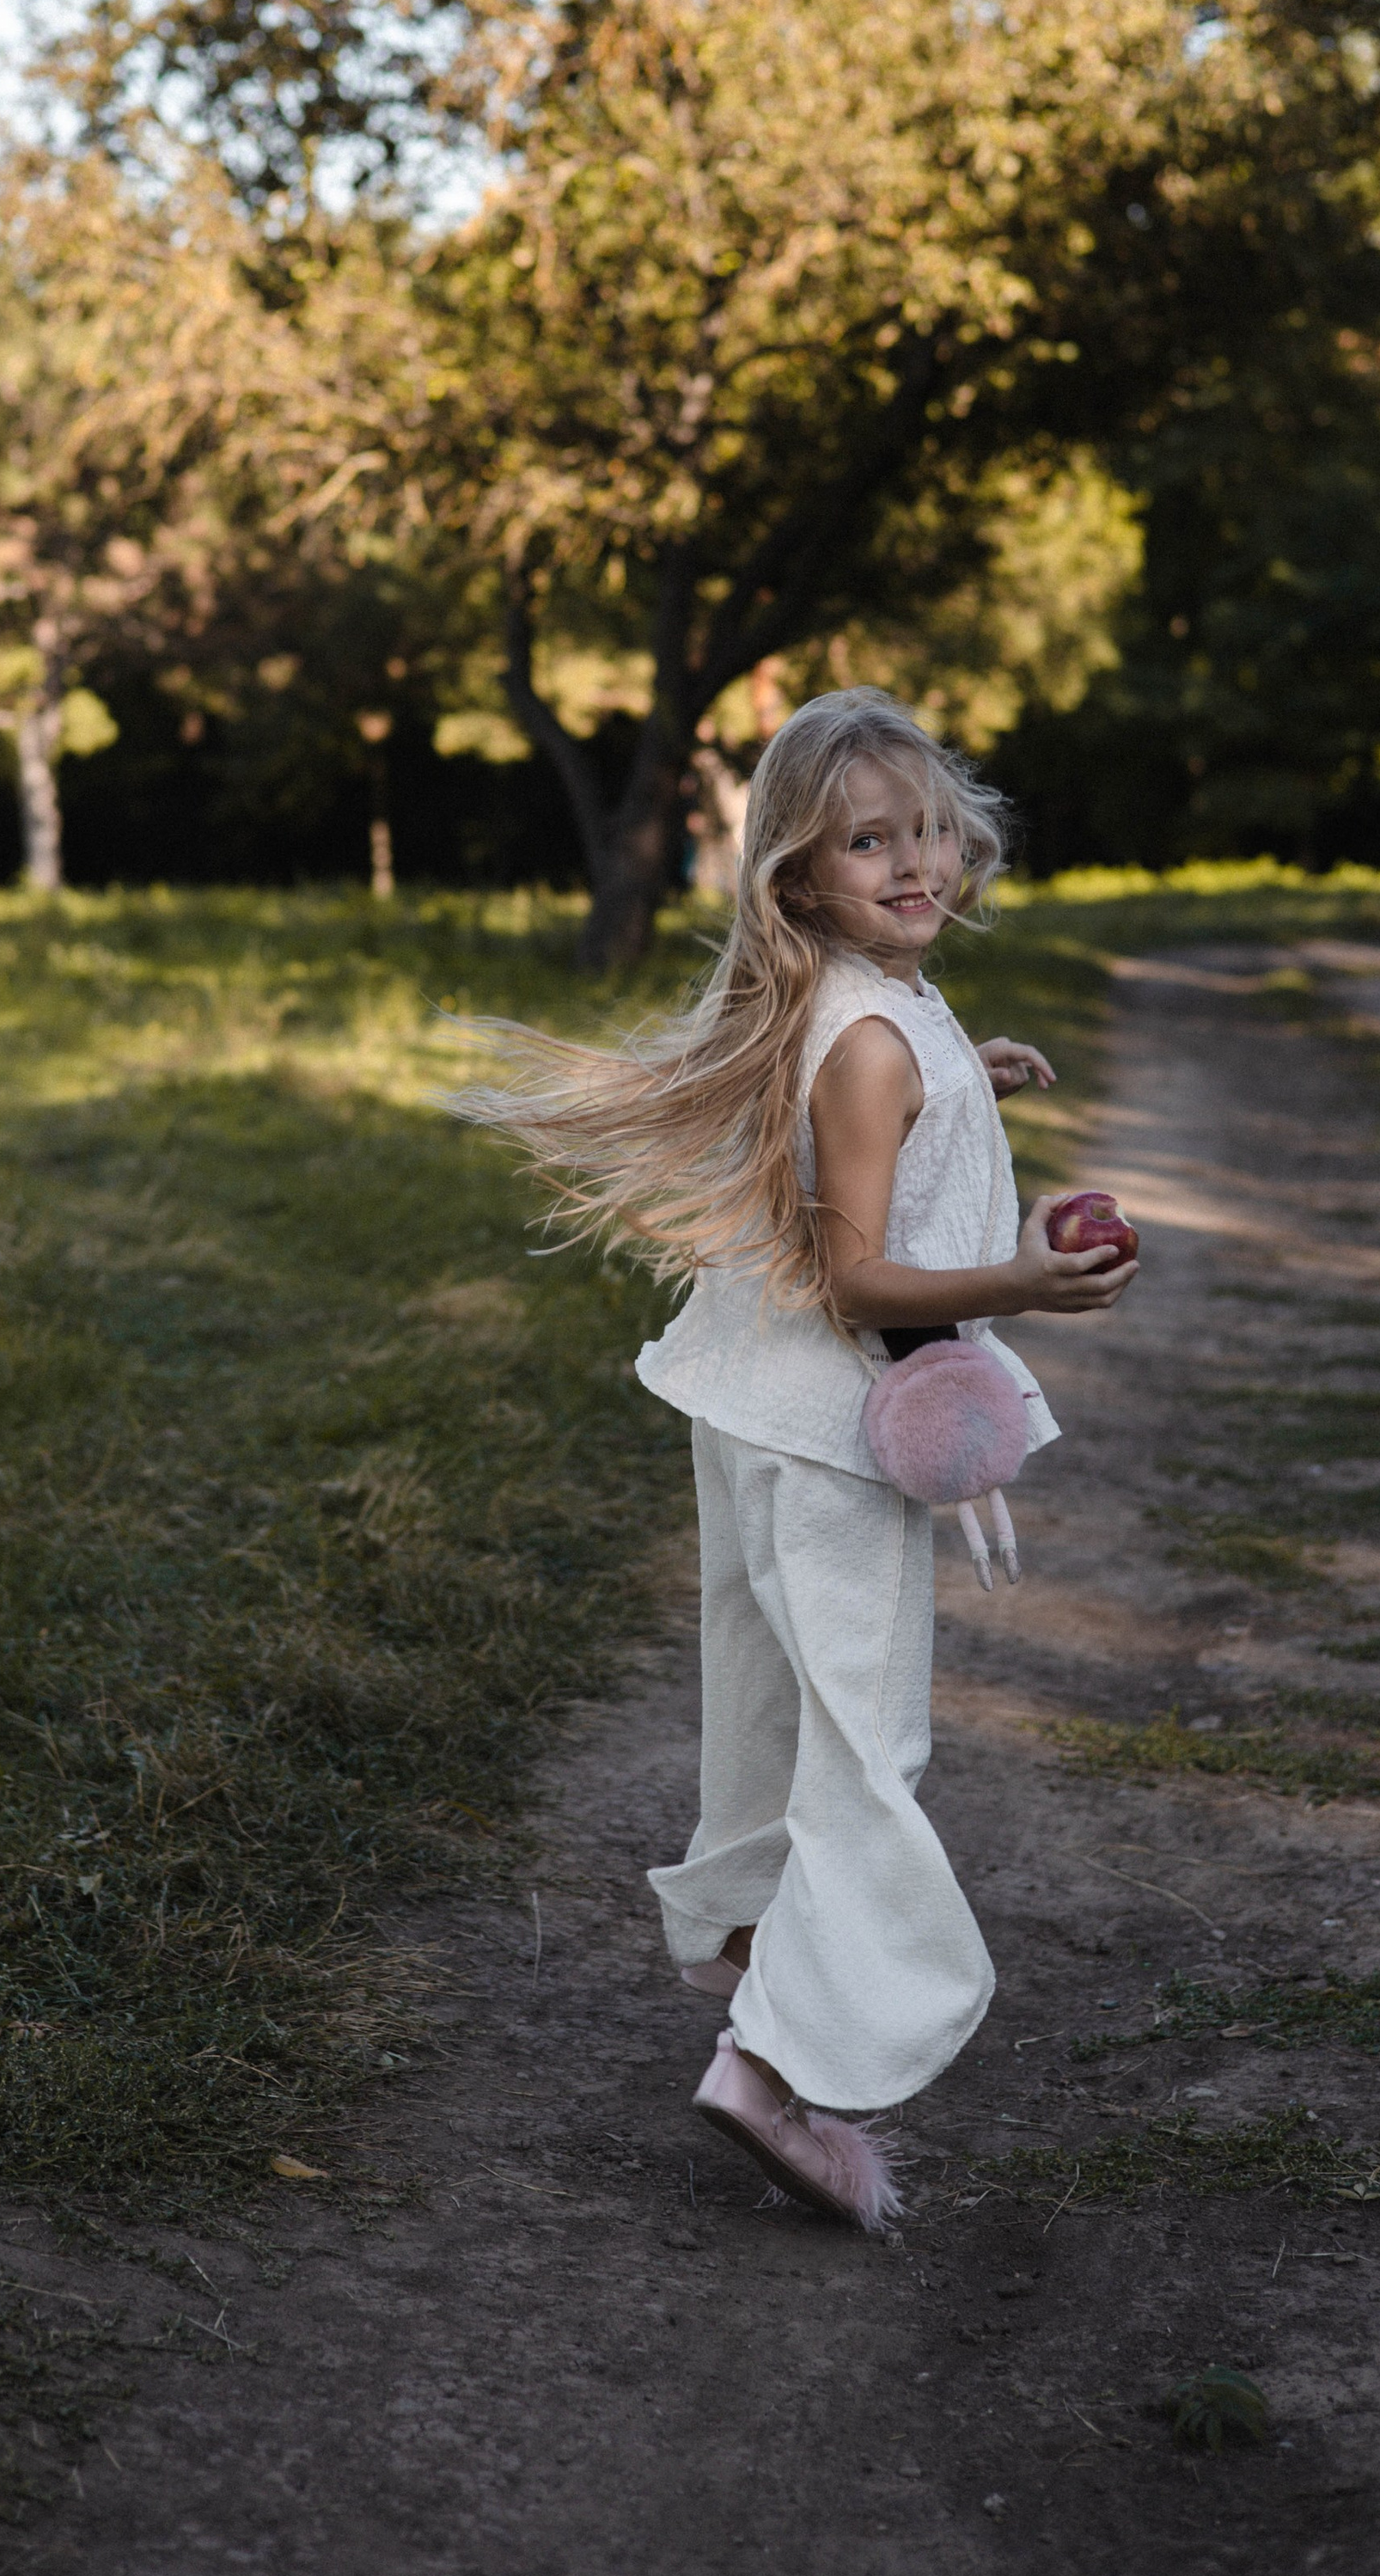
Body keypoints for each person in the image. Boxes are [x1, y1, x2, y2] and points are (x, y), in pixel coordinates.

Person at [457, 688, 1136, 2229]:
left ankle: (769, 1953)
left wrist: (977, 1081)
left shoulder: (860, 998)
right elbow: (856, 1281)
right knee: (865, 1747)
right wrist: (1020, 1282)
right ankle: (775, 2066)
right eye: (865, 842)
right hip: (828, 1436)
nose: (912, 864)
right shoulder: (871, 1041)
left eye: (929, 831)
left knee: (774, 1716)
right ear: (799, 875)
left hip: (750, 1414)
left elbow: (881, 1101)